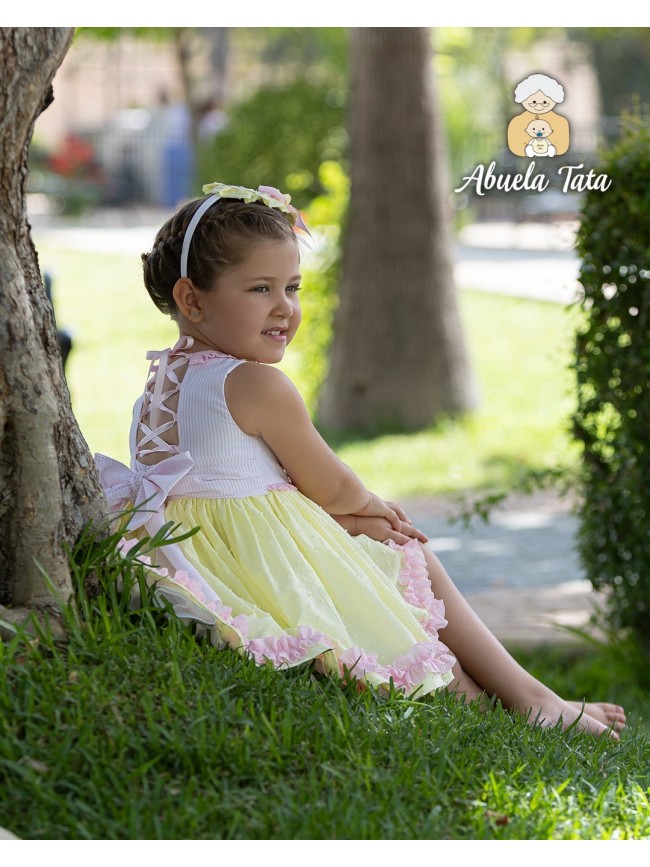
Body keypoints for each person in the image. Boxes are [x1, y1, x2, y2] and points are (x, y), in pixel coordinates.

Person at [95, 182, 625, 739]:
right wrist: (369, 507)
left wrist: (347, 519)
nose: (285, 308)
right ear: (192, 299)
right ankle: (529, 698)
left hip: (206, 553)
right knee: (400, 543)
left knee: (384, 551)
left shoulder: (161, 384)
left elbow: (223, 495)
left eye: (293, 288)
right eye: (260, 288)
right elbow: (331, 484)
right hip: (256, 566)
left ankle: (511, 703)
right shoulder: (255, 382)